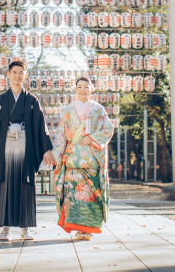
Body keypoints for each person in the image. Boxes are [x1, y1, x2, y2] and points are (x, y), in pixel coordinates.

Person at [0, 59, 54, 240]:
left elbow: (40, 126)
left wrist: (46, 150)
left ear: (26, 75)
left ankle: (25, 228)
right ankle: (5, 228)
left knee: (24, 185)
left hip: (24, 148)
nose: (18, 75)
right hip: (3, 147)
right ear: (8, 74)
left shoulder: (31, 100)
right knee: (4, 185)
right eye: (14, 72)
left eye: (21, 72)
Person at [50, 76, 114, 240]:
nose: (83, 89)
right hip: (72, 158)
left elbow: (108, 128)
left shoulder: (99, 109)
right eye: (80, 87)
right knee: (74, 195)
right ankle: (78, 228)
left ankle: (88, 228)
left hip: (91, 158)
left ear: (91, 88)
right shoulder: (68, 109)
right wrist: (57, 154)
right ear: (75, 89)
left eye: (86, 86)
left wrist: (92, 138)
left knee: (91, 195)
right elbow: (61, 134)